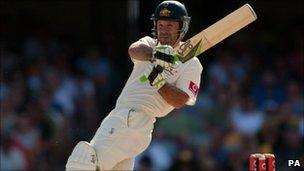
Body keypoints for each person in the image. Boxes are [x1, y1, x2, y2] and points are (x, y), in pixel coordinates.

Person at [65, 1, 203, 170]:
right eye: (160, 24)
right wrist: (155, 55)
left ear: (182, 27)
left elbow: (180, 100)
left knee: (84, 164)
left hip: (132, 118)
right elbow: (134, 50)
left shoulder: (191, 63)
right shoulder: (151, 44)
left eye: (170, 25)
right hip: (132, 123)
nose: (164, 29)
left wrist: (159, 81)